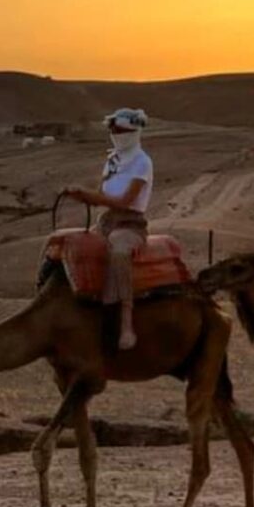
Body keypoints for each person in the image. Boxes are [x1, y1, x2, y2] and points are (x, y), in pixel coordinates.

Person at [64, 108, 153, 351]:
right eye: (113, 130)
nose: (116, 134)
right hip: (105, 222)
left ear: (134, 132)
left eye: (121, 130)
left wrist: (92, 196)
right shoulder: (112, 160)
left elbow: (125, 201)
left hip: (129, 224)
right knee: (67, 245)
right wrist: (82, 196)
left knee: (119, 252)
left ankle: (125, 321)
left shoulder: (142, 162)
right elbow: (103, 196)